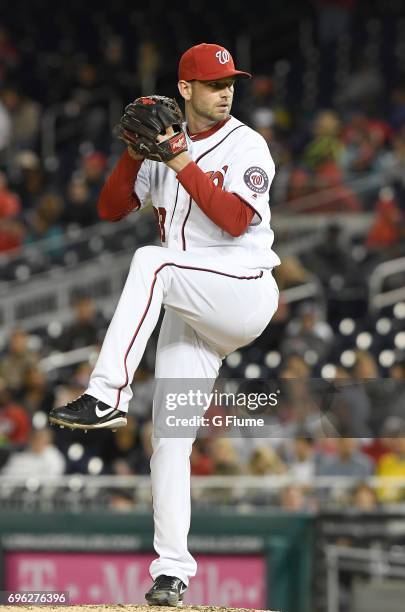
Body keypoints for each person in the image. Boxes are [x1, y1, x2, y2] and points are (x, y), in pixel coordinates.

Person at [49, 43, 280, 606]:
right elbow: (109, 208)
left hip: (243, 291)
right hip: (189, 304)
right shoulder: (161, 149)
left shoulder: (248, 145)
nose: (226, 91)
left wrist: (178, 159)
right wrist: (133, 153)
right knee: (169, 443)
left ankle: (106, 394)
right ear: (185, 89)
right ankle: (172, 572)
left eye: (231, 82)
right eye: (213, 83)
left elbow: (230, 222)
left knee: (151, 261)